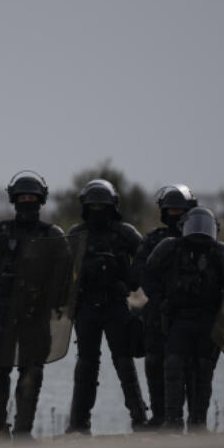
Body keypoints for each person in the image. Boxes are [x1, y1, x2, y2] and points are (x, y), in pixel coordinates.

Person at [0, 170, 65, 439]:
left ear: (41, 200)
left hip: (37, 316)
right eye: (22, 196)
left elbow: (67, 280)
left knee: (32, 372)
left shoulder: (52, 235)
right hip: (5, 315)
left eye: (31, 197)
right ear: (13, 199)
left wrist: (60, 308)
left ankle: (24, 432)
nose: (26, 200)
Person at [65, 179, 147, 433]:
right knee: (86, 365)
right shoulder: (77, 234)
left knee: (124, 363)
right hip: (87, 307)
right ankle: (79, 424)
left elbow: (146, 259)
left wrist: (130, 283)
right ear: (85, 207)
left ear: (112, 206)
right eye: (93, 205)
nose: (98, 209)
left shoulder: (125, 233)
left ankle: (139, 418)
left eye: (102, 205)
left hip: (115, 306)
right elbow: (62, 270)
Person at [143, 207, 224, 431]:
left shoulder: (220, 252)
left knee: (203, 369)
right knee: (173, 365)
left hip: (208, 320)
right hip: (179, 318)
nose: (200, 231)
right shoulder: (170, 247)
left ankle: (198, 422)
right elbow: (148, 273)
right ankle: (173, 421)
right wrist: (159, 300)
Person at [133, 184, 200, 428]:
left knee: (194, 366)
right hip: (159, 310)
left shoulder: (200, 239)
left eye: (180, 210)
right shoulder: (153, 239)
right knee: (154, 362)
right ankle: (160, 416)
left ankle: (195, 419)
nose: (175, 214)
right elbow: (140, 270)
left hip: (191, 312)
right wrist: (160, 299)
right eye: (170, 210)